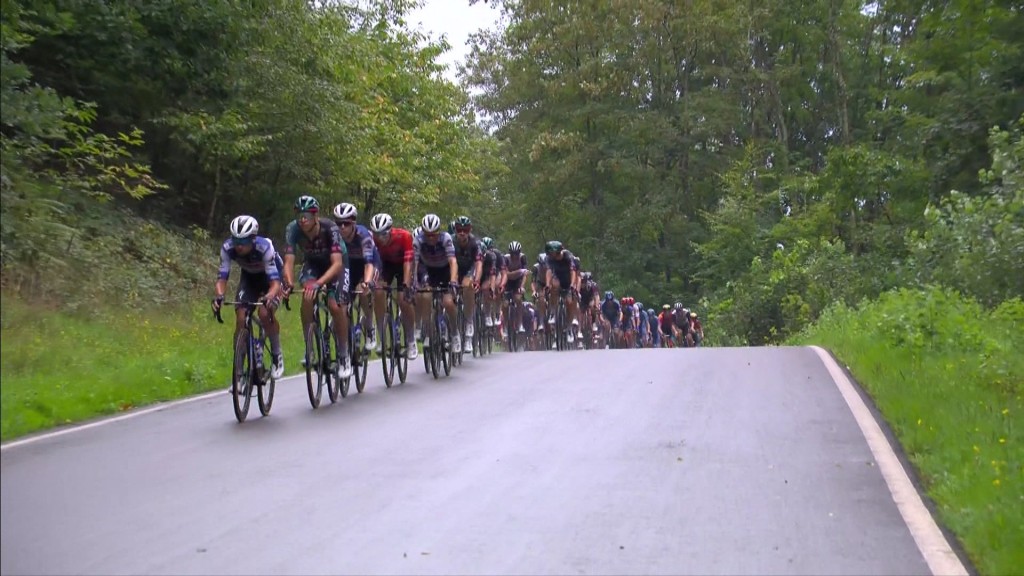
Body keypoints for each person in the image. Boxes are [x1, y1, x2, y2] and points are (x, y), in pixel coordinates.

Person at [282, 195, 352, 379]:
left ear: (316, 215)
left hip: (336, 264)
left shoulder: (331, 228)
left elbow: (336, 264)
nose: (303, 219)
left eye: (307, 215)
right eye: (299, 215)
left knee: (335, 305)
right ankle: (310, 348)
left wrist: (320, 283)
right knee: (307, 296)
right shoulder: (292, 229)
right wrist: (288, 283)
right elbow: (288, 261)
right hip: (312, 263)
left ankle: (344, 355)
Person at [212, 215, 286, 379]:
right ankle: (238, 372)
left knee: (265, 313)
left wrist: (268, 296)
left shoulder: (265, 248)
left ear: (253, 239)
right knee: (240, 317)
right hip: (249, 279)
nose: (238, 246)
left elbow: (275, 283)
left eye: (243, 241)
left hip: (271, 279)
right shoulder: (227, 247)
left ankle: (277, 355)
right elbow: (222, 278)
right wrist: (219, 296)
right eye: (235, 240)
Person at [368, 213, 417, 360]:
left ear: (390, 231)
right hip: (386, 265)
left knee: (403, 299)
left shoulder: (404, 236)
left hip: (403, 264)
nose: (380, 239)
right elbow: (372, 262)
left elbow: (408, 262)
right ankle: (382, 335)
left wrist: (406, 284)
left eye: (383, 235)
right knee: (378, 291)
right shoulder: (371, 240)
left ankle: (410, 339)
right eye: (377, 235)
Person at [332, 202, 380, 351]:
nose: (342, 227)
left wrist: (367, 282)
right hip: (348, 266)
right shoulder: (334, 236)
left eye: (346, 223)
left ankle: (370, 326)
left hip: (368, 264)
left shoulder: (363, 234)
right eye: (339, 223)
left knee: (363, 289)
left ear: (353, 222)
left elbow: (368, 263)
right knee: (342, 301)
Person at [413, 214, 461, 353]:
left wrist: (453, 280)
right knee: (426, 296)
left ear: (438, 232)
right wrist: (414, 282)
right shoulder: (418, 240)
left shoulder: (446, 238)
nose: (431, 238)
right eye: (427, 235)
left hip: (446, 270)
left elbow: (453, 261)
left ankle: (454, 333)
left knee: (448, 303)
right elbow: (414, 263)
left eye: (433, 235)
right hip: (429, 271)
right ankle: (428, 332)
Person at [451, 216, 482, 353]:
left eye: (465, 230)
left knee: (467, 285)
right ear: (455, 230)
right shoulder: (451, 241)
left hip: (469, 269)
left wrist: (476, 280)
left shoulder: (475, 243)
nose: (462, 233)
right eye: (459, 229)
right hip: (454, 269)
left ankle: (469, 321)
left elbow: (479, 264)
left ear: (470, 230)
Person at [542, 240, 579, 344]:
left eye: (551, 253)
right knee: (554, 286)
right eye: (549, 253)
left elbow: (573, 271)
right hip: (557, 278)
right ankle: (553, 312)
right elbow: (549, 271)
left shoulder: (568, 256)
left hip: (568, 279)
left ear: (557, 251)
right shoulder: (549, 259)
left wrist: (572, 285)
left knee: (569, 302)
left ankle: (569, 328)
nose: (550, 255)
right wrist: (548, 284)